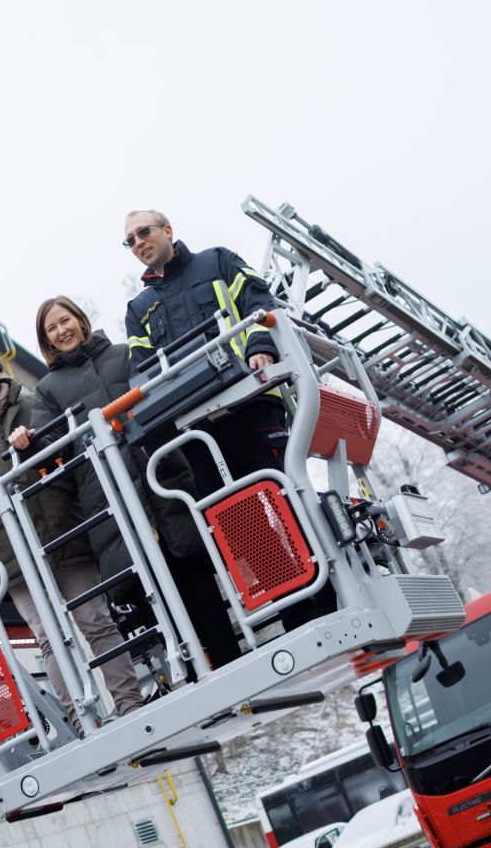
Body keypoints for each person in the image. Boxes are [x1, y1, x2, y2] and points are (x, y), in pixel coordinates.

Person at [121, 209, 336, 628]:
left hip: (251, 401)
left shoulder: (218, 261)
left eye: (143, 232)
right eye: (129, 240)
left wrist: (262, 347)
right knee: (239, 517)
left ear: (168, 229)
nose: (138, 243)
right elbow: (141, 370)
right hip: (199, 427)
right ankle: (294, 604)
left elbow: (258, 304)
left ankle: (330, 589)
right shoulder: (140, 308)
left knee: (283, 495)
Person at [9, 297, 242, 670]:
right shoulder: (50, 388)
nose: (61, 331)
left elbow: (161, 393)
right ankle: (195, 679)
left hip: (160, 477)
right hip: (111, 499)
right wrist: (26, 440)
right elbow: (49, 446)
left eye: (65, 320)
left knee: (198, 583)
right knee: (157, 602)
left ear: (81, 322)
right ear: (47, 341)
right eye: (51, 329)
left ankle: (232, 667)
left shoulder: (123, 355)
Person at [0, 342, 142, 719]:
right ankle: (84, 722)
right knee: (50, 639)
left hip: (64, 531)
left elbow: (70, 452)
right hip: (12, 551)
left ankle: (131, 705)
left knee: (96, 621)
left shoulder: (34, 403)